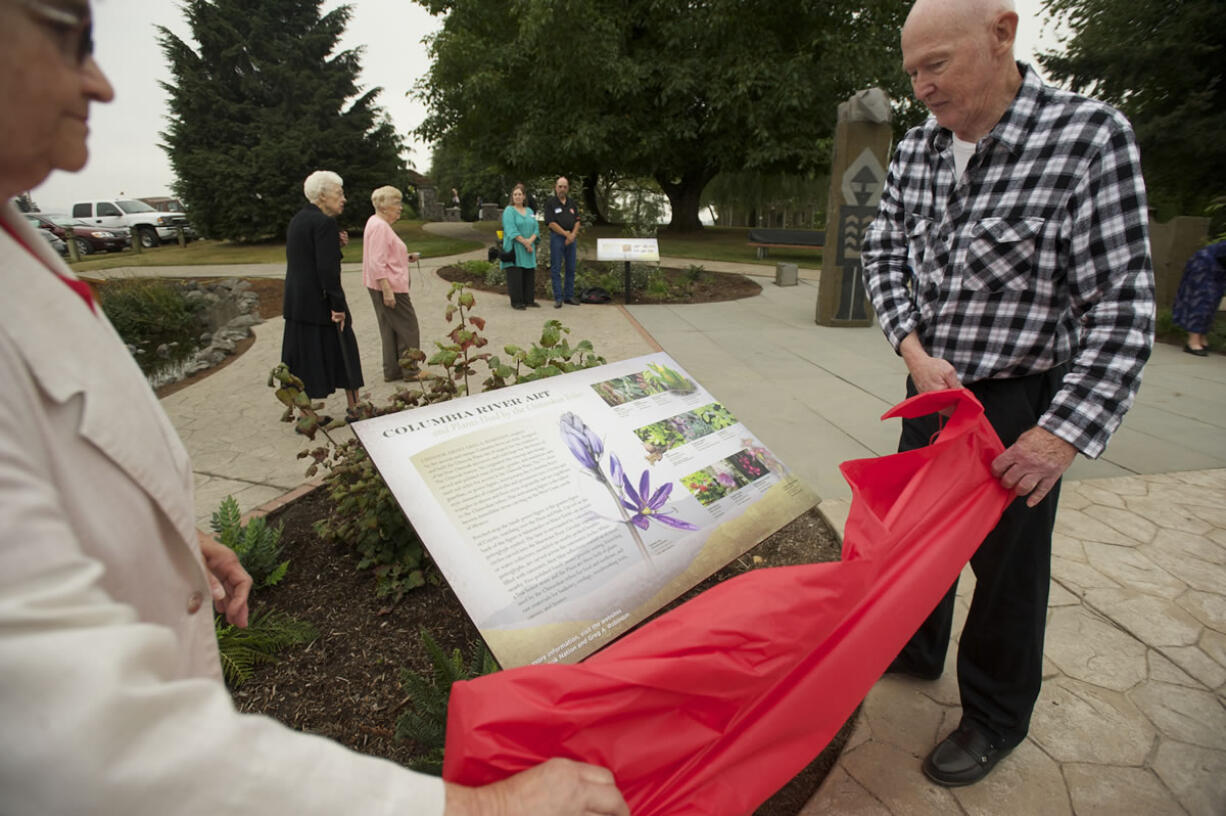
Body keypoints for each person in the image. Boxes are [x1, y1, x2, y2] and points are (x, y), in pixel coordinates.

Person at [0, 3, 628, 814]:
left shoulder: (24, 238)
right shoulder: (335, 227)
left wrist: (154, 535)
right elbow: (65, 727)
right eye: (68, 34)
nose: (101, 78)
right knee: (350, 363)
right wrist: (475, 806)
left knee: (341, 367)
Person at [862, 0, 1154, 788]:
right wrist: (913, 352)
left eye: (938, 65)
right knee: (914, 540)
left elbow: (1122, 304)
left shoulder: (1088, 138)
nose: (922, 88)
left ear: (1002, 33)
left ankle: (994, 716)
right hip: (931, 384)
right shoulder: (919, 149)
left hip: (1022, 399)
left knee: (1008, 576)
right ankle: (917, 651)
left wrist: (1062, 435)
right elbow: (883, 253)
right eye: (912, 72)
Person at [281, 170, 364, 421]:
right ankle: (355, 406)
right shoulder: (325, 223)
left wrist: (333, 245)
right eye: (339, 193)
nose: (344, 199)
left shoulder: (299, 220)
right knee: (344, 348)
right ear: (322, 195)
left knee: (303, 357)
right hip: (322, 302)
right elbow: (327, 270)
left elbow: (307, 256)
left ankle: (307, 415)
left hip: (298, 302)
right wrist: (338, 306)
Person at [363, 185, 421, 381]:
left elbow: (381, 256)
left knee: (389, 328)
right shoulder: (379, 227)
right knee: (408, 327)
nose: (400, 207)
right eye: (396, 203)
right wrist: (387, 290)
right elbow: (376, 262)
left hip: (378, 285)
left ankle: (393, 370)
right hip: (391, 287)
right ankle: (411, 371)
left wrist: (406, 256)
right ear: (383, 205)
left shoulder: (375, 222)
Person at [1171, 239, 1226, 356]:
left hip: (1220, 267)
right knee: (1202, 299)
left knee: (1214, 301)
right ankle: (1193, 340)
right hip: (1205, 263)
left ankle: (1201, 336)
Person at [501, 182, 540, 310]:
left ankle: (529, 300)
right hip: (516, 248)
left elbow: (536, 228)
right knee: (516, 275)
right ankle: (517, 301)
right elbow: (511, 230)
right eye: (515, 194)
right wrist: (525, 242)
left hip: (528, 248)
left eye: (520, 194)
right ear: (512, 197)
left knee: (529, 274)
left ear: (524, 197)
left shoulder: (529, 211)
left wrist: (531, 241)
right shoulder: (509, 211)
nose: (517, 197)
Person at [544, 176, 581, 308]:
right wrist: (566, 234)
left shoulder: (572, 203)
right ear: (556, 187)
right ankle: (558, 298)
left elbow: (577, 221)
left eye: (565, 187)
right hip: (557, 238)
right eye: (560, 186)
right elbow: (551, 223)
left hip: (571, 238)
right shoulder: (550, 203)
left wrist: (573, 235)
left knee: (571, 268)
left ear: (568, 188)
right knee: (556, 268)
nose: (562, 189)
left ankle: (569, 296)